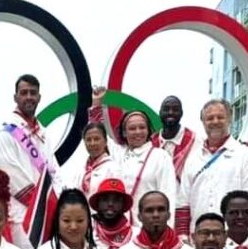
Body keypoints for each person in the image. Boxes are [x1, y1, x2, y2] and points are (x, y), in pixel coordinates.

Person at [174, 99, 248, 238]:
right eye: (209, 118)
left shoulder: (245, 154)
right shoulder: (193, 158)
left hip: (233, 237)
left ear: (229, 119)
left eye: (220, 117)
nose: (215, 121)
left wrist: (247, 234)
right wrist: (183, 237)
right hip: (198, 240)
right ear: (203, 122)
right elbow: (183, 201)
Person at [0, 74, 60, 249]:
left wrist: (57, 203)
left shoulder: (43, 133)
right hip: (22, 214)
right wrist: (44, 203)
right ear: (15, 97)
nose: (29, 97)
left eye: (33, 93)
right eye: (24, 93)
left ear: (39, 97)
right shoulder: (5, 131)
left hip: (47, 213)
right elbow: (11, 175)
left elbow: (54, 172)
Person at [88, 89, 178, 222]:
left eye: (142, 127)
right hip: (117, 227)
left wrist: (166, 233)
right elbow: (99, 134)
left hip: (148, 227)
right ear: (124, 132)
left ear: (148, 130)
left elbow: (168, 196)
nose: (137, 132)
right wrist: (96, 103)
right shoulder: (117, 153)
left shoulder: (160, 156)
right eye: (132, 128)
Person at [54, 121, 121, 199]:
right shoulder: (81, 170)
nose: (92, 143)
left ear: (105, 141)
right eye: (88, 140)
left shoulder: (114, 169)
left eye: (96, 139)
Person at [152, 96, 197, 187]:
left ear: (181, 113)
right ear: (160, 113)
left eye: (175, 109)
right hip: (156, 198)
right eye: (166, 109)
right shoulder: (151, 143)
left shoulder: (195, 141)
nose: (170, 112)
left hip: (185, 198)